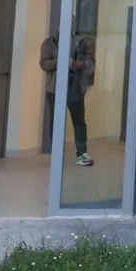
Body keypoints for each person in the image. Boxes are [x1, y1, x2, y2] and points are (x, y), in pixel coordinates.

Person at [40, 22, 96, 166]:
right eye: (65, 23)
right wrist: (61, 62)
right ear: (58, 25)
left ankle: (82, 154)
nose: (68, 26)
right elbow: (44, 64)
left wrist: (79, 65)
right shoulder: (49, 43)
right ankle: (57, 153)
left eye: (71, 24)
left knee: (79, 122)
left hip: (75, 88)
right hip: (55, 90)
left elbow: (90, 63)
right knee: (56, 122)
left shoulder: (81, 42)